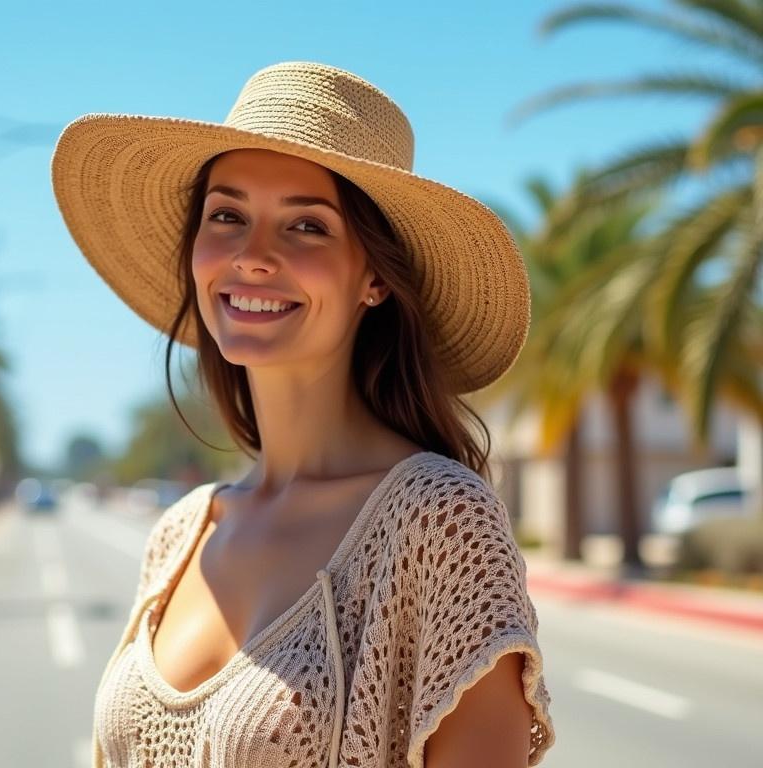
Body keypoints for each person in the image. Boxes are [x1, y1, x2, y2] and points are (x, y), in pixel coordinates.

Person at [51, 61, 556, 768]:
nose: (253, 256)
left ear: (374, 277)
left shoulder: (438, 523)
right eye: (227, 215)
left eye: (307, 226)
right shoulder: (179, 536)